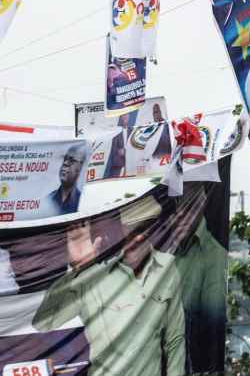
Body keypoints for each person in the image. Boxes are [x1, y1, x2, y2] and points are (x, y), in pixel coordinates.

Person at [33, 196, 187, 375]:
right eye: (132, 227)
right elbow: (43, 323)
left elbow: (175, 339)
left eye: (146, 226)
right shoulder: (93, 275)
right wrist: (76, 272)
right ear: (119, 228)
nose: (139, 235)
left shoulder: (167, 268)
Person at [43, 143, 87, 215]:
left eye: (72, 160)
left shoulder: (83, 202)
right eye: (65, 159)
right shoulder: (48, 199)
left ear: (81, 167)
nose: (65, 163)